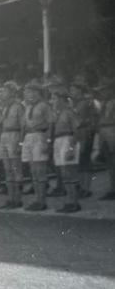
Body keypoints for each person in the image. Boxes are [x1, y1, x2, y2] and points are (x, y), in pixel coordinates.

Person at [21, 79, 54, 211]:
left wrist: (48, 141)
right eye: (28, 91)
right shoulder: (28, 106)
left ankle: (42, 201)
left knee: (40, 170)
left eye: (32, 91)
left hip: (40, 135)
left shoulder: (44, 106)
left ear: (38, 92)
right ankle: (37, 199)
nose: (30, 94)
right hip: (29, 136)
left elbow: (50, 123)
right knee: (33, 170)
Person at [50, 85, 82, 213]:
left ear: (63, 100)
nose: (53, 101)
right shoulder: (57, 113)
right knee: (64, 174)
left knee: (69, 173)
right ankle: (69, 201)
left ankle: (74, 202)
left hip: (68, 140)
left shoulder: (69, 112)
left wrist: (70, 148)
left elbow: (77, 131)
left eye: (55, 98)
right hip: (58, 140)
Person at [0, 81, 25, 209]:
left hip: (14, 134)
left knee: (15, 168)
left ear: (12, 92)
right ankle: (11, 198)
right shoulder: (4, 107)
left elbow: (22, 126)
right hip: (4, 135)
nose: (2, 93)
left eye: (5, 91)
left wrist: (20, 142)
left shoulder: (18, 106)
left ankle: (17, 199)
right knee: (7, 169)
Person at [69, 76, 97, 198]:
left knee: (85, 161)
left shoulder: (86, 103)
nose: (72, 92)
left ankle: (86, 188)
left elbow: (89, 118)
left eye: (73, 90)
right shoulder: (74, 103)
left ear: (79, 90)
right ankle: (81, 187)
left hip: (84, 132)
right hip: (77, 133)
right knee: (79, 161)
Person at [95, 79, 115, 200]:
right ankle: (112, 188)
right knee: (109, 162)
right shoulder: (103, 103)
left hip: (112, 129)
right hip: (104, 131)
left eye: (104, 90)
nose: (102, 92)